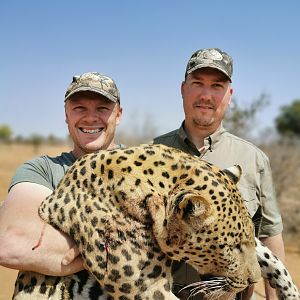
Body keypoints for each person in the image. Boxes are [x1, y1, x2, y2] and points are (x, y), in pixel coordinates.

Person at [153, 48, 285, 300]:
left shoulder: (253, 159)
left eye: (216, 85)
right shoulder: (154, 154)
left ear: (229, 94)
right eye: (198, 83)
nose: (206, 94)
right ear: (183, 89)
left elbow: (269, 236)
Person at [0, 72, 123, 298]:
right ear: (66, 115)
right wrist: (106, 247)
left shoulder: (140, 168)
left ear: (118, 114)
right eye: (79, 108)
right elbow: (11, 243)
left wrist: (59, 247)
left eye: (102, 109)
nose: (90, 118)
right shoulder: (42, 170)